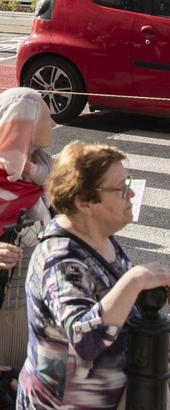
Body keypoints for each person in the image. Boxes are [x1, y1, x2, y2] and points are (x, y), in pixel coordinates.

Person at [17, 142, 170, 408]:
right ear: (84, 201)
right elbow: (84, 340)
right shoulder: (61, 258)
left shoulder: (99, 239)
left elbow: (117, 307)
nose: (131, 193)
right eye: (120, 188)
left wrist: (152, 332)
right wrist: (136, 279)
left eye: (127, 182)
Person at [0, 89, 54, 407]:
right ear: (27, 125)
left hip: (36, 311)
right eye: (46, 116)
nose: (53, 122)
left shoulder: (42, 174)